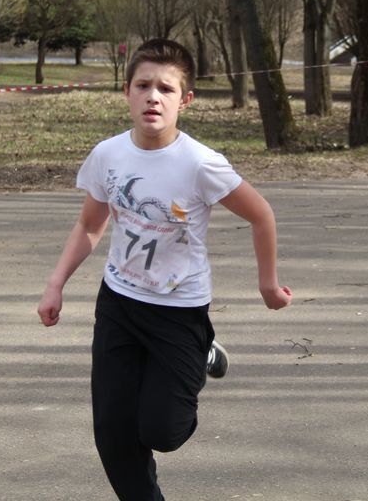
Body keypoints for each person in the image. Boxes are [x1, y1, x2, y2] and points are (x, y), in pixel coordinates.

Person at [37, 38, 292, 500]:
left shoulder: (200, 164)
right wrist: (56, 285)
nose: (153, 96)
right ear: (127, 93)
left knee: (162, 431)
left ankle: (204, 352)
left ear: (185, 100)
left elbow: (261, 215)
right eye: (143, 85)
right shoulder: (108, 155)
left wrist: (268, 284)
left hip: (178, 311)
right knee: (114, 434)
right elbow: (90, 226)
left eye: (166, 89)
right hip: (118, 303)